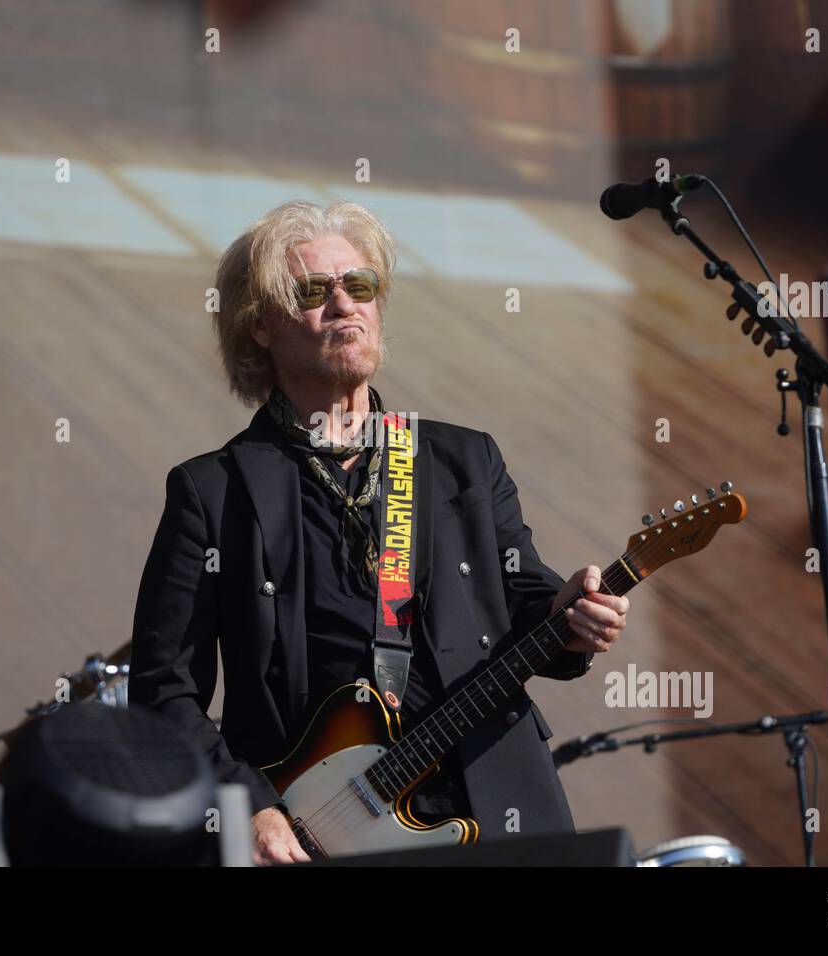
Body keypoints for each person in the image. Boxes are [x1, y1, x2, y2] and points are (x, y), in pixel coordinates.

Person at [129, 199, 629, 864]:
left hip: (491, 799)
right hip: (319, 832)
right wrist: (245, 805)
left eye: (359, 286)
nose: (345, 306)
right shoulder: (212, 491)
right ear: (261, 326)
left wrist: (575, 618)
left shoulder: (462, 462)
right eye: (314, 292)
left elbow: (529, 603)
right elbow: (164, 690)